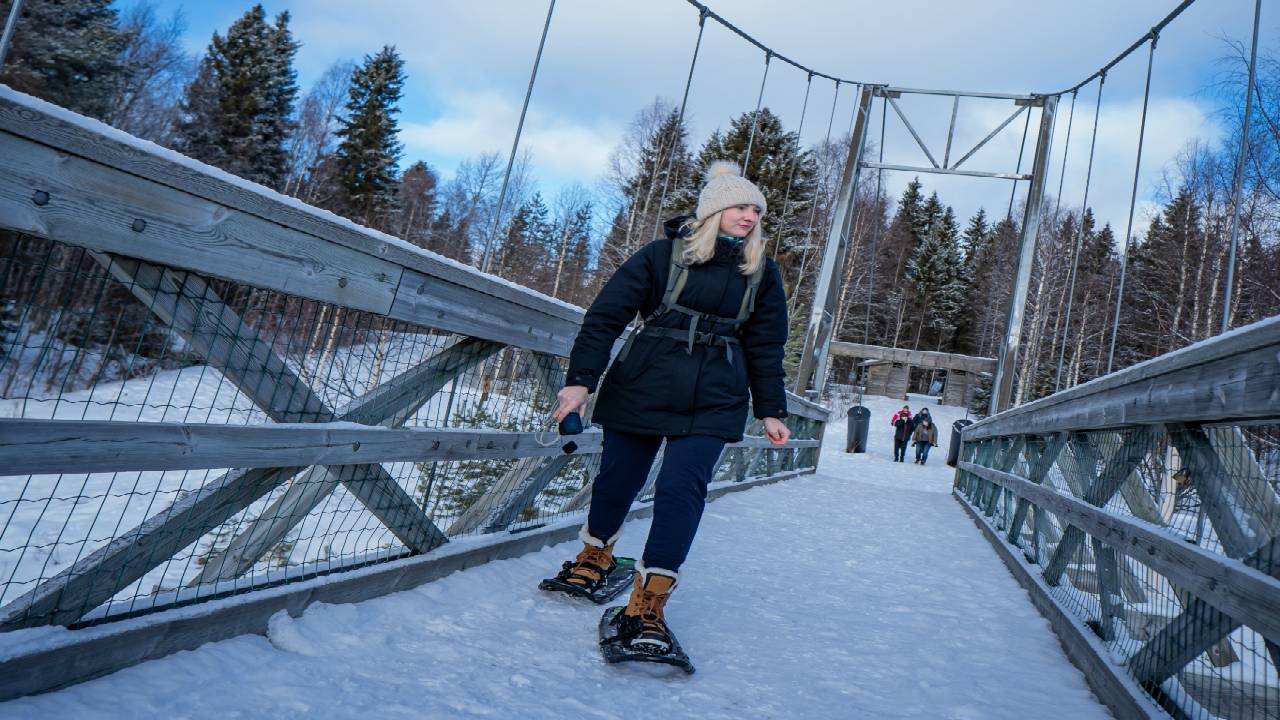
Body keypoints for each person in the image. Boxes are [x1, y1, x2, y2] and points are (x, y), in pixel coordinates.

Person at [550, 161, 791, 655]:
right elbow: (604, 319)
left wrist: (771, 409)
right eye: (741, 206)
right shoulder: (661, 256)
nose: (750, 216)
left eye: (756, 210)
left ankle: (649, 602)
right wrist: (580, 383)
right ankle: (596, 554)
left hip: (715, 398)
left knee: (682, 493)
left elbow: (766, 346)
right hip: (643, 383)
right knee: (618, 480)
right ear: (714, 210)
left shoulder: (762, 273)